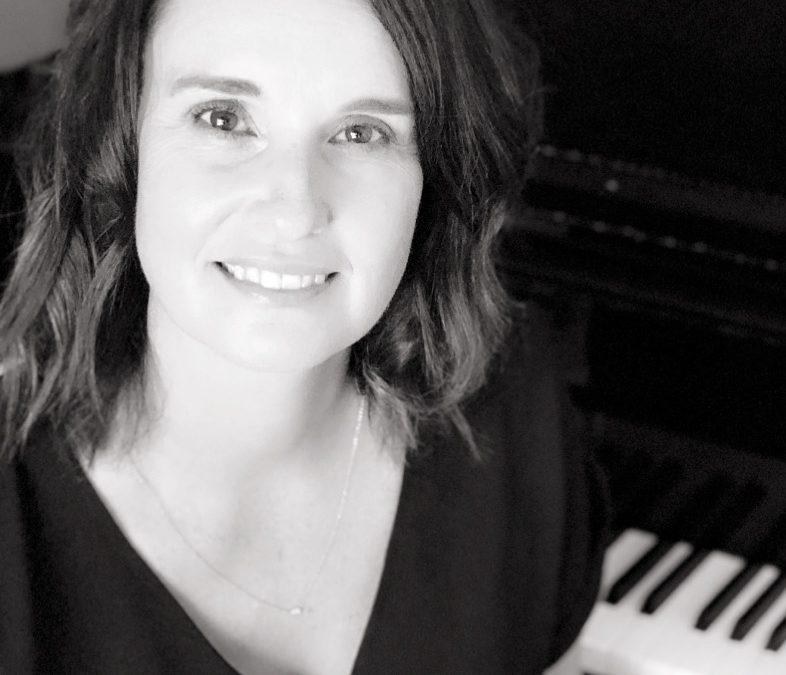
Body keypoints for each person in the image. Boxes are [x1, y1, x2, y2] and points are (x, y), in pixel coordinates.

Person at [0, 0, 606, 673]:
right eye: (223, 119)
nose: (294, 211)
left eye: (362, 133)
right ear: (120, 147)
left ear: (432, 179)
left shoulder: (515, 411)